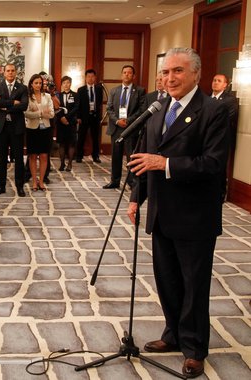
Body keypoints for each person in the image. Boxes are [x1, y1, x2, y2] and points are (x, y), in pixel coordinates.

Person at [127, 48, 229, 379]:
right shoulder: (158, 110)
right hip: (162, 212)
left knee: (193, 285)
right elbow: (146, 160)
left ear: (196, 74)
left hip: (195, 217)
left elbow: (212, 165)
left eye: (178, 71)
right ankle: (173, 335)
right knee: (167, 281)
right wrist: (135, 197)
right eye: (166, 72)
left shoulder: (214, 111)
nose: (170, 78)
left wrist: (166, 164)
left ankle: (195, 347)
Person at [105, 65, 146, 189]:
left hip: (131, 128)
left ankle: (132, 181)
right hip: (116, 128)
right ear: (121, 75)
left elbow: (141, 110)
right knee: (116, 156)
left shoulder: (140, 91)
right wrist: (117, 121)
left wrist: (128, 120)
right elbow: (109, 109)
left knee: (131, 156)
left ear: (133, 76)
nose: (126, 75)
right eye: (124, 72)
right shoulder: (114, 91)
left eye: (129, 73)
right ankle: (115, 181)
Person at [0, 63, 29, 197]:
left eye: (13, 71)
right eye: (8, 71)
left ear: (16, 72)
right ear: (4, 72)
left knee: (18, 158)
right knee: (2, 158)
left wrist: (5, 105)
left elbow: (24, 106)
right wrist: (13, 103)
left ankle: (20, 186)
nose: (10, 73)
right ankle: (1, 186)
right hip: (2, 127)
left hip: (16, 127)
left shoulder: (23, 88)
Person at [24, 74, 54, 191]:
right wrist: (41, 113)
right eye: (36, 83)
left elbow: (51, 114)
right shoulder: (28, 97)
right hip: (32, 129)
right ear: (31, 84)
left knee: (44, 155)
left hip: (45, 129)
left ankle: (41, 181)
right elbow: (26, 113)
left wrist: (37, 111)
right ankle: (34, 182)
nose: (38, 85)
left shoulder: (47, 96)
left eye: (40, 83)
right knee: (32, 156)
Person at [76, 69, 103, 163]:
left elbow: (99, 104)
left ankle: (95, 156)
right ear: (85, 78)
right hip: (84, 117)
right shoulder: (81, 90)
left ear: (95, 78)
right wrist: (78, 117)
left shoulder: (99, 89)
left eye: (92, 76)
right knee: (81, 136)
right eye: (88, 76)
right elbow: (78, 105)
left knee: (95, 137)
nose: (90, 78)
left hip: (95, 117)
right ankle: (79, 155)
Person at [56, 76, 80, 172]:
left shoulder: (75, 95)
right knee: (61, 143)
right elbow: (56, 108)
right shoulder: (58, 95)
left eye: (68, 83)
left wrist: (67, 117)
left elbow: (76, 107)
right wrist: (61, 117)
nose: (66, 85)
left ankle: (69, 163)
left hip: (71, 122)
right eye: (64, 83)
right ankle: (62, 163)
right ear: (61, 85)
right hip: (60, 122)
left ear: (70, 84)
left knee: (71, 143)